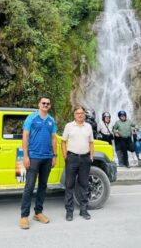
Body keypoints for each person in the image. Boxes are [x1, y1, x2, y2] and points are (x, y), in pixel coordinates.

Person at [19, 96, 57, 229]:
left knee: (43, 186)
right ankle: (24, 216)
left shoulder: (51, 120)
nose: (45, 105)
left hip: (47, 157)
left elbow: (53, 139)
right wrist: (25, 156)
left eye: (47, 103)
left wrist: (54, 156)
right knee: (29, 187)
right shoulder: (31, 118)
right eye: (43, 103)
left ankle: (38, 212)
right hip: (33, 157)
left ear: (49, 106)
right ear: (39, 104)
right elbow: (25, 137)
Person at [61, 106, 94, 221]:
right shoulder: (69, 126)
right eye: (77, 113)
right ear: (74, 115)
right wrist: (66, 156)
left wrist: (91, 157)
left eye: (81, 113)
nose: (80, 115)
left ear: (84, 114)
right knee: (69, 185)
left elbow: (91, 143)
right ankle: (69, 211)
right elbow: (63, 142)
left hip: (85, 159)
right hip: (72, 158)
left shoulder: (88, 126)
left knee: (84, 185)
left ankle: (84, 210)